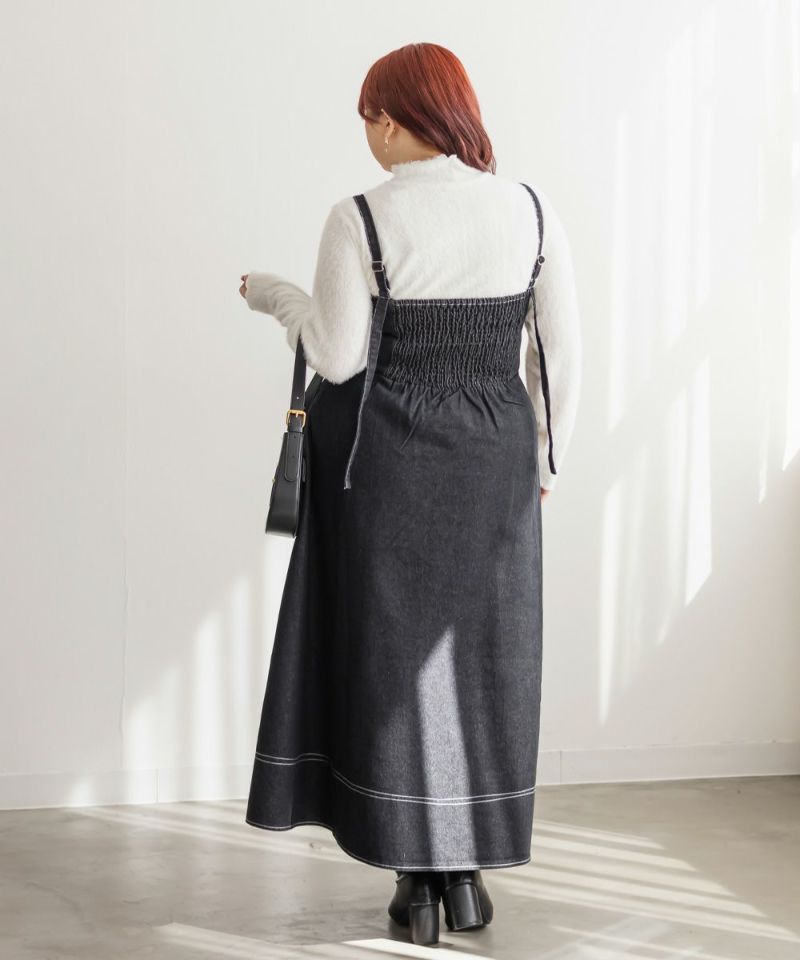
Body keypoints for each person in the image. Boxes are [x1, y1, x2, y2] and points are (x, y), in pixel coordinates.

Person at [238, 42, 581, 947]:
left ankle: (416, 888)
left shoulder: (360, 217)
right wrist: (548, 463)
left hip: (388, 466)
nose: (368, 136)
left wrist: (274, 295)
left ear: (393, 121)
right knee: (483, 660)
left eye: (369, 119)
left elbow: (338, 353)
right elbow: (558, 355)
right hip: (495, 463)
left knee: (395, 665)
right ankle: (463, 879)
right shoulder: (530, 210)